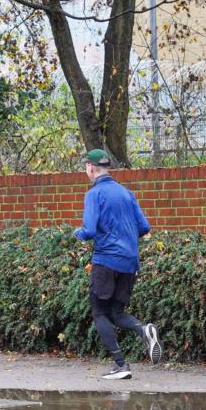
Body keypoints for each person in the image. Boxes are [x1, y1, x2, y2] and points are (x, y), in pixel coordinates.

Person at [75, 149, 162, 380]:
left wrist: (78, 233)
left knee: (99, 313)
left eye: (86, 167)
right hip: (130, 262)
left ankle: (121, 365)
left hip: (106, 261)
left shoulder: (94, 194)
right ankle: (142, 330)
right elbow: (144, 227)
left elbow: (89, 230)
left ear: (91, 168)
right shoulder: (126, 193)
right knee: (115, 312)